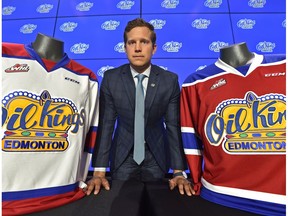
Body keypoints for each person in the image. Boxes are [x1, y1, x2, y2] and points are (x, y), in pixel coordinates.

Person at [86, 18, 194, 196]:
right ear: (125, 47)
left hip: (157, 156)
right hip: (122, 157)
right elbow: (106, 125)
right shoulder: (111, 78)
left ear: (154, 48)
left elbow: (173, 127)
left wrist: (179, 171)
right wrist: (98, 171)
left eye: (144, 42)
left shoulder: (169, 80)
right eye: (132, 42)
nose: (137, 48)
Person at [180, 42, 286, 215]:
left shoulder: (282, 65)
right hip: (222, 195)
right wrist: (195, 179)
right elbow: (190, 136)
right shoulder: (197, 82)